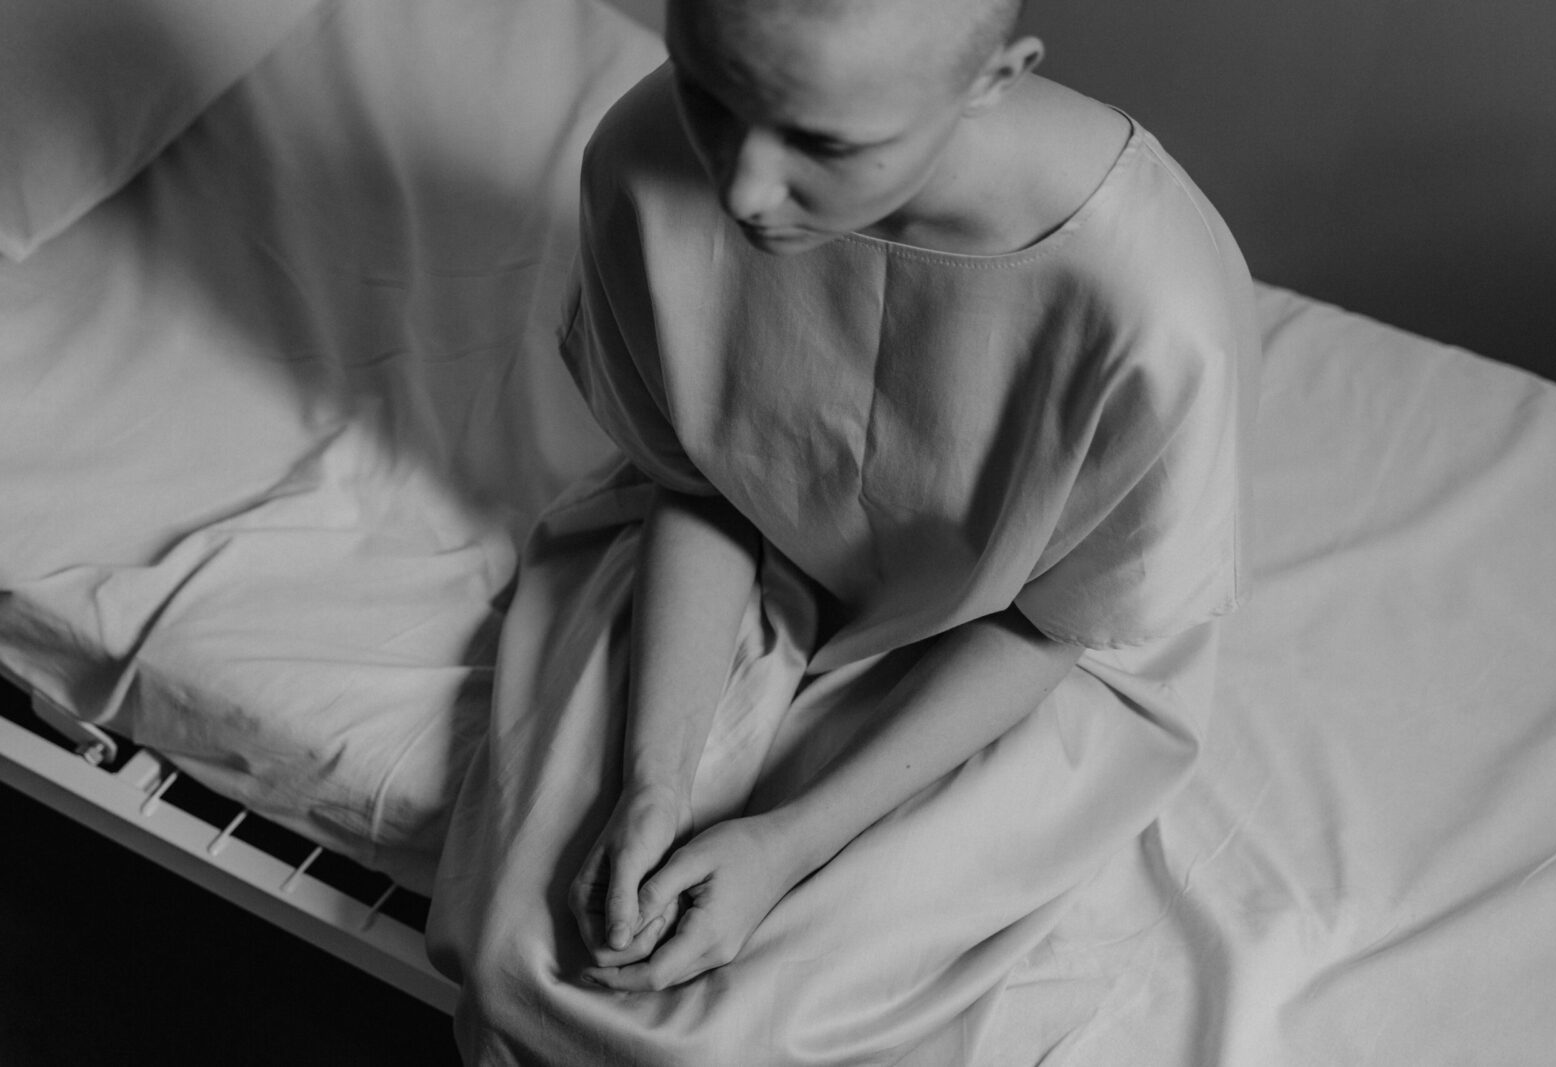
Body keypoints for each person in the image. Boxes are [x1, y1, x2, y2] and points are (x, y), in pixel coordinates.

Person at [429, 0, 1257, 1060]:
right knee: (537, 947)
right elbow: (699, 483)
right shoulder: (643, 159)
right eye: (707, 97)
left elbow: (1062, 623)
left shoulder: (1153, 310)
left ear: (995, 79)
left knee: (747, 1022)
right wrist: (655, 778)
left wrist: (786, 844)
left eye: (824, 143)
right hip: (736, 548)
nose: (740, 188)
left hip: (1025, 645)